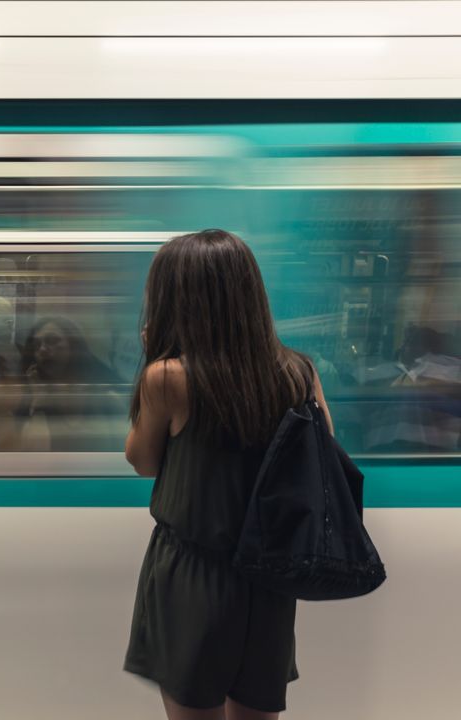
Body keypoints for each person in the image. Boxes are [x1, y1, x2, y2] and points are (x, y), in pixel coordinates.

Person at [122, 230, 334, 720]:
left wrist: (152, 358)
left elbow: (143, 460)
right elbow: (321, 452)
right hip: (268, 577)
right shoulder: (298, 372)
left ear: (177, 299)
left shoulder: (168, 378)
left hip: (194, 574)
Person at [17, 317, 123, 451]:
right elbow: (33, 454)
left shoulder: (106, 398)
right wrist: (39, 401)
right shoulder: (33, 398)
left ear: (73, 345)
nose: (42, 349)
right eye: (37, 345)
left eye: (52, 341)